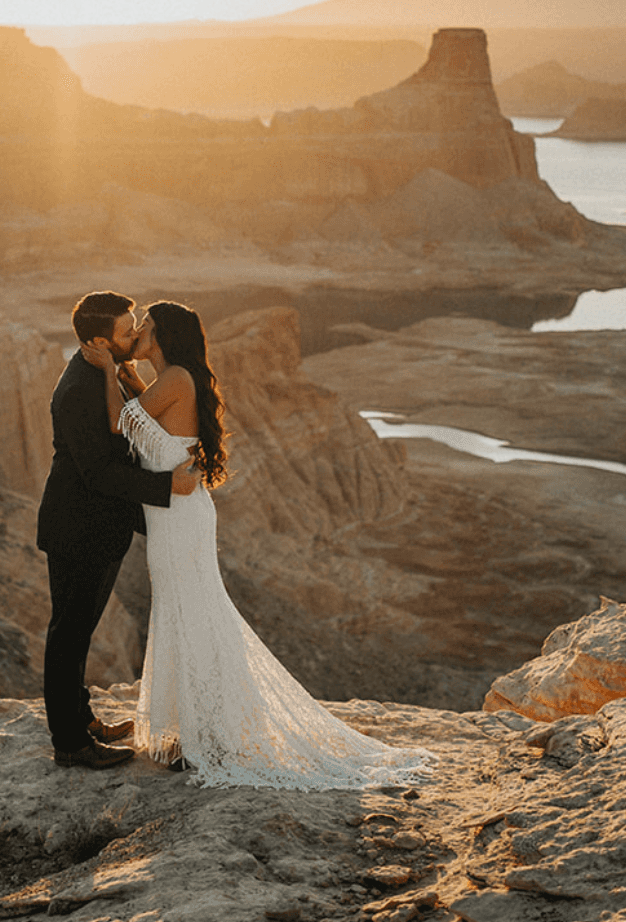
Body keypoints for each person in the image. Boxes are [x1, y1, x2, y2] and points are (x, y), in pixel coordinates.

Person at [80, 300, 432, 790]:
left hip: (179, 519)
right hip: (174, 515)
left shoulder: (177, 378)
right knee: (183, 611)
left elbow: (122, 423)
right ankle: (198, 729)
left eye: (143, 327)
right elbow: (146, 416)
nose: (135, 333)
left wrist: (104, 370)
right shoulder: (171, 380)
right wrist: (123, 374)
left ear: (159, 336)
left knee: (192, 611)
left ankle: (208, 735)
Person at [37, 291, 199, 770]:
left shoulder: (100, 373)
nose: (135, 335)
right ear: (100, 341)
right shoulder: (80, 388)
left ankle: (82, 720)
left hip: (97, 529)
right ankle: (70, 744)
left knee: (79, 631)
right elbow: (100, 474)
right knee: (67, 635)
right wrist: (167, 487)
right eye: (128, 330)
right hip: (77, 529)